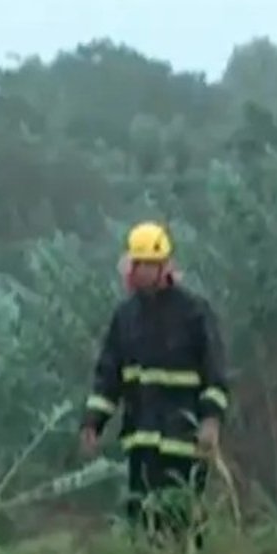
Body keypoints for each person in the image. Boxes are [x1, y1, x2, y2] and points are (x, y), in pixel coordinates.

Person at [81, 222, 229, 535]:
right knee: (143, 520)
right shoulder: (125, 317)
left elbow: (215, 371)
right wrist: (93, 421)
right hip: (141, 442)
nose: (139, 272)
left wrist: (211, 421)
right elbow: (109, 374)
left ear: (163, 266)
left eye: (146, 265)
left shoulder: (194, 313)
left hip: (185, 442)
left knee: (184, 520)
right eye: (136, 264)